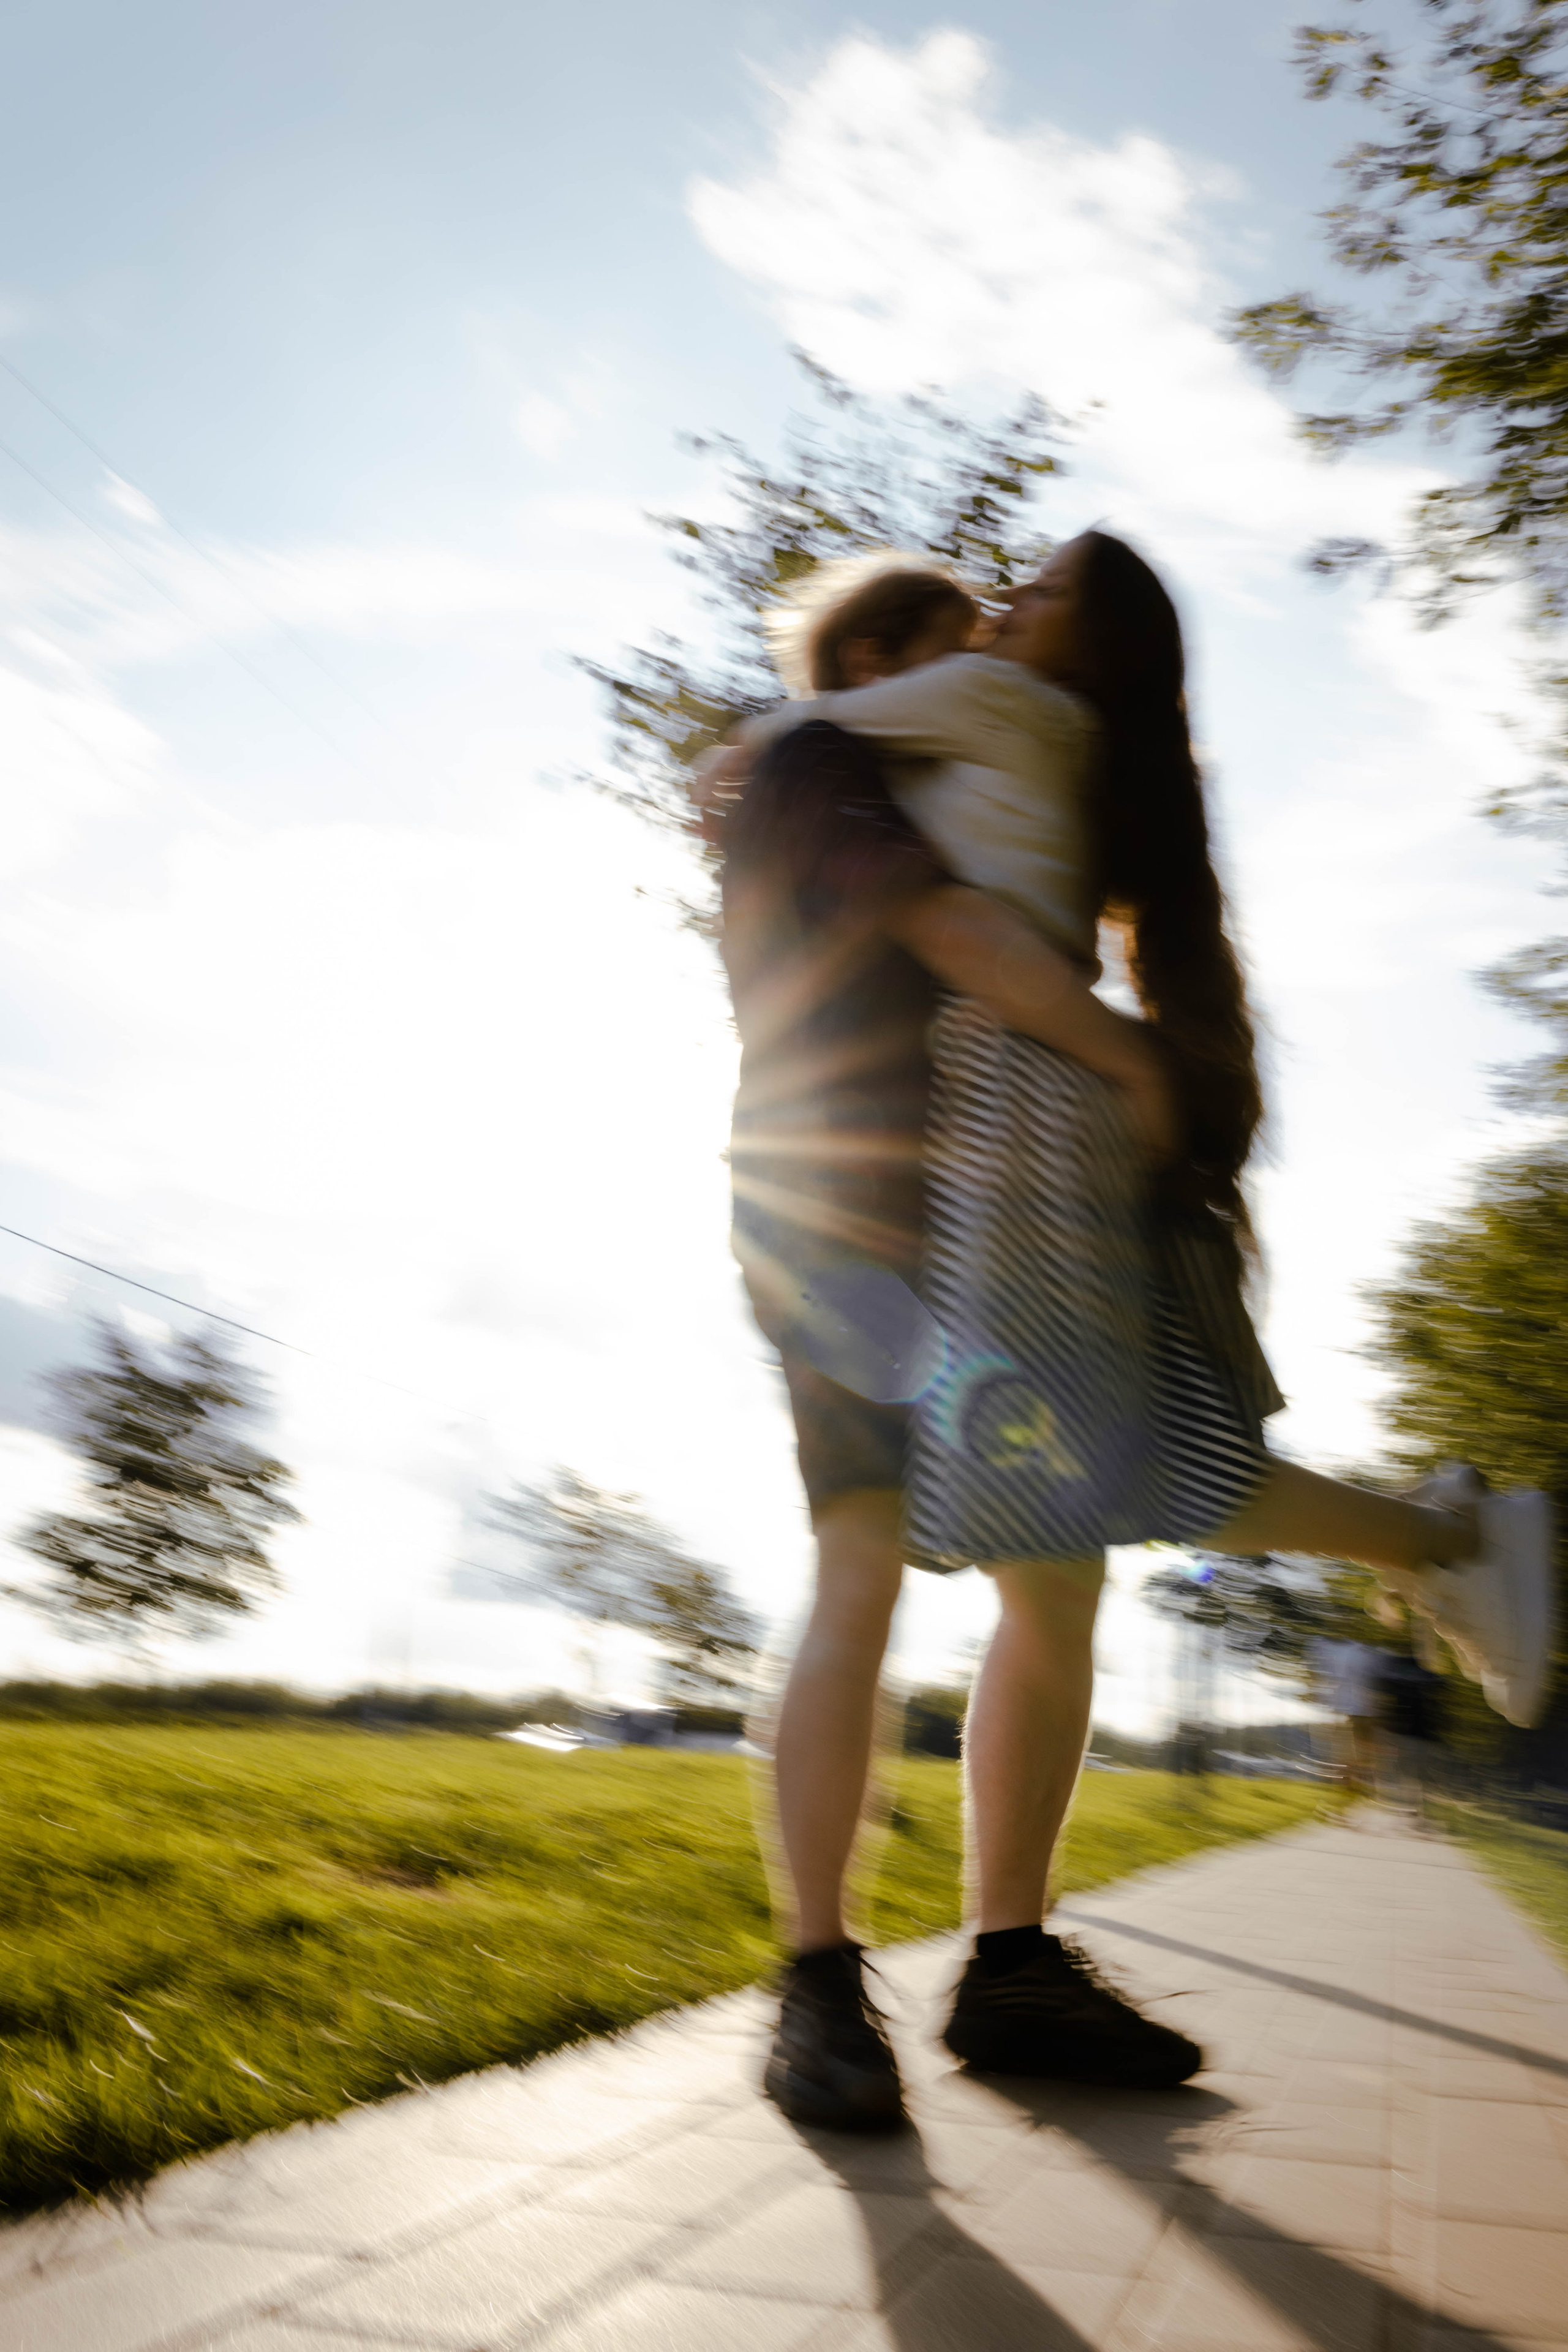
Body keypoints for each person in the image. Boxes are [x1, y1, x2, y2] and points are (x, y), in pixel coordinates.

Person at [706, 537, 1555, 2132]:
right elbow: (942, 926)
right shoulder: (823, 757)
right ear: (886, 667)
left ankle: (1009, 1962)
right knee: (870, 1562)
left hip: (971, 1199)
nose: (996, 643)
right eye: (967, 622)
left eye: (1014, 616)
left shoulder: (969, 761)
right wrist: (1120, 1051)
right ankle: (821, 1983)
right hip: (853, 1213)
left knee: (1059, 1569)